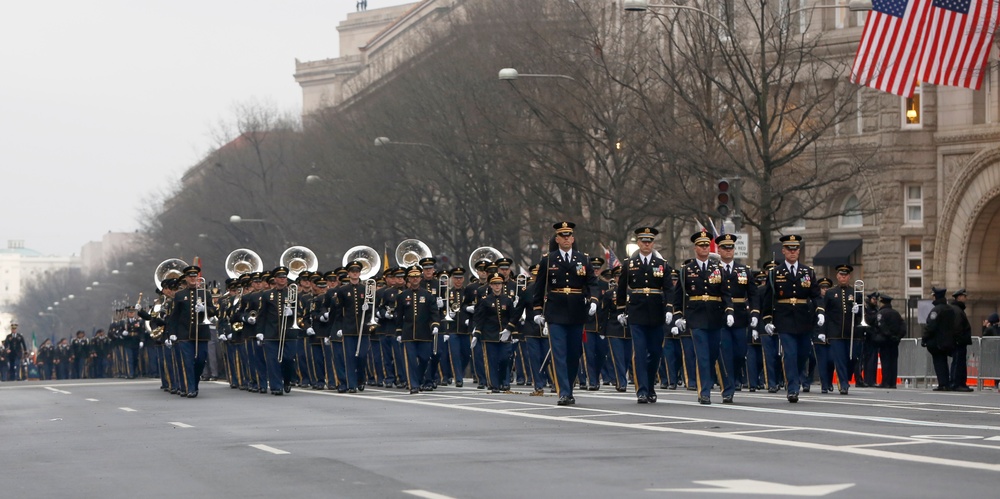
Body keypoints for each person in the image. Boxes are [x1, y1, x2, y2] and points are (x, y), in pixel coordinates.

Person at [532, 221, 599, 406]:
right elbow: (539, 288)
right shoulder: (548, 259)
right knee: (559, 353)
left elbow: (593, 282)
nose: (566, 238)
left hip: (577, 310)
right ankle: (564, 391)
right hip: (556, 311)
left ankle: (569, 387)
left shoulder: (583, 259)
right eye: (563, 236)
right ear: (557, 239)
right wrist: (537, 310)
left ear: (573, 238)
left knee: (574, 353)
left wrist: (594, 300)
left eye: (569, 235)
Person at [761, 235, 823, 403]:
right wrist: (767, 320)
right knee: (790, 353)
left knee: (803, 353)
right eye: (789, 249)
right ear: (783, 251)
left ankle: (794, 377)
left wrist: (821, 311)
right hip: (784, 318)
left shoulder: (807, 272)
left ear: (799, 251)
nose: (793, 252)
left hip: (804, 317)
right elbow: (768, 298)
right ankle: (793, 388)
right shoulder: (775, 273)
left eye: (795, 249)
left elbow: (816, 295)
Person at [616, 227, 674, 404]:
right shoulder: (629, 263)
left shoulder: (662, 263)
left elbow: (669, 289)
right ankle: (641, 390)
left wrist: (670, 309)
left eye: (649, 241)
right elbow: (621, 288)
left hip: (656, 312)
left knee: (656, 352)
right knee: (640, 352)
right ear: (638, 243)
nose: (646, 244)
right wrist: (620, 310)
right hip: (637, 312)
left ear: (653, 243)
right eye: (643, 241)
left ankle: (650, 386)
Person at [673, 230, 731, 404]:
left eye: (707, 245)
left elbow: (726, 293)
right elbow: (679, 296)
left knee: (713, 354)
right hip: (696, 316)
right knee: (703, 355)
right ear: (695, 248)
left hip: (715, 314)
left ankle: (716, 384)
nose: (705, 248)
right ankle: (704, 391)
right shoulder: (687, 270)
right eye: (701, 245)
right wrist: (678, 315)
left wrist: (729, 310)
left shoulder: (718, 269)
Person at [716, 233, 758, 401]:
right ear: (718, 249)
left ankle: (735, 377)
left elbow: (753, 294)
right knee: (725, 352)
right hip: (720, 315)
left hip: (740, 315)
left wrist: (755, 313)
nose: (728, 250)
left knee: (740, 352)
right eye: (725, 248)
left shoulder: (744, 270)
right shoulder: (714, 269)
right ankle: (728, 387)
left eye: (731, 247)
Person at [397, 265, 442, 393]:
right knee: (410, 360)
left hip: (424, 333)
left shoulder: (427, 295)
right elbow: (399, 316)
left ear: (420, 278)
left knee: (424, 359)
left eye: (417, 277)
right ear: (409, 279)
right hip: (408, 333)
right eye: (412, 277)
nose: (415, 279)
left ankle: (419, 378)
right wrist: (399, 331)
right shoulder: (402, 296)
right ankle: (414, 385)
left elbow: (434, 313)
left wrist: (435, 325)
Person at [821, 265, 861, 395]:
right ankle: (844, 384)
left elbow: (862, 314)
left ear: (849, 276)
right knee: (840, 359)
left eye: (846, 275)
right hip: (835, 332)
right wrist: (824, 331)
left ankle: (846, 378)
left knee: (852, 358)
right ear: (837, 276)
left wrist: (858, 310)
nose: (843, 277)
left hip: (851, 332)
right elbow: (825, 312)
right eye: (841, 275)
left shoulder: (856, 292)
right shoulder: (831, 293)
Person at [922, 287, 958, 391]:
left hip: (937, 341)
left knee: (939, 363)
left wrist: (924, 338)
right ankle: (946, 383)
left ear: (935, 296)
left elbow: (931, 326)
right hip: (948, 340)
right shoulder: (949, 309)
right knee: (944, 362)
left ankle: (942, 383)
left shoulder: (936, 310)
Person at [870, 294, 904, 388]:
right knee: (893, 361)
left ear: (882, 302)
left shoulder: (881, 313)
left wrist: (889, 335)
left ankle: (886, 382)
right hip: (894, 342)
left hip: (884, 341)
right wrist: (898, 336)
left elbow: (882, 326)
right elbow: (903, 326)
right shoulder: (896, 313)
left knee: (885, 362)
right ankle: (893, 382)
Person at [949, 289, 974, 391]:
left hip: (960, 341)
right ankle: (956, 383)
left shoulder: (957, 309)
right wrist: (959, 339)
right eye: (964, 296)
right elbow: (957, 327)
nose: (965, 298)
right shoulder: (957, 310)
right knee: (958, 363)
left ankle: (960, 383)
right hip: (959, 342)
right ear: (959, 297)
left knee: (960, 363)